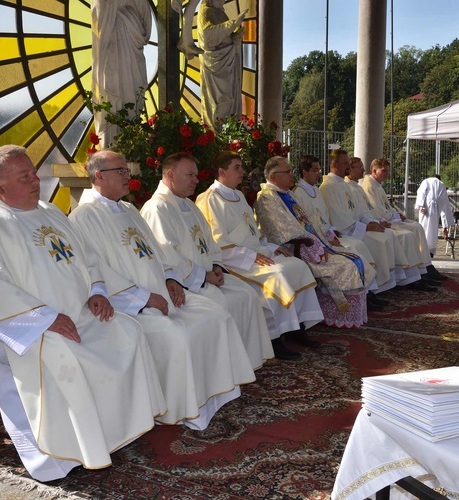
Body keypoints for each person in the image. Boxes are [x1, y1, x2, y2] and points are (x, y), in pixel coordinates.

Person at [0, 145, 166, 482]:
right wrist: (45, 319)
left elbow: (87, 257)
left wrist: (97, 291)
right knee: (64, 356)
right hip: (22, 326)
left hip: (79, 313)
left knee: (127, 331)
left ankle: (108, 435)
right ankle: (54, 459)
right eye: (24, 176)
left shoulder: (50, 212)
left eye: (33, 172)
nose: (35, 181)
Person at [69, 150, 256, 430]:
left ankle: (215, 397)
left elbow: (155, 251)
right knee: (179, 336)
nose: (126, 176)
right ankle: (184, 410)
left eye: (125, 170)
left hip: (161, 293)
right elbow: (98, 271)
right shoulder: (84, 217)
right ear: (98, 176)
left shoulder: (129, 209)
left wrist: (169, 279)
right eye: (120, 171)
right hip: (131, 306)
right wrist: (145, 298)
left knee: (215, 315)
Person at [140, 153, 274, 368]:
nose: (196, 180)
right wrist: (204, 276)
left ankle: (244, 365)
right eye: (190, 175)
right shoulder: (158, 208)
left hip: (208, 276)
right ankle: (226, 368)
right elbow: (168, 255)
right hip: (188, 284)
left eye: (196, 174)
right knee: (224, 306)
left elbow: (210, 242)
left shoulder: (189, 205)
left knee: (247, 294)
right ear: (171, 174)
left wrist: (217, 266)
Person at [195, 151, 324, 359]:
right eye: (237, 167)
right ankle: (275, 338)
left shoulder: (237, 195)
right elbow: (216, 243)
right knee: (277, 275)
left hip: (257, 252)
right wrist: (250, 256)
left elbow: (253, 231)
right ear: (222, 171)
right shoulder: (209, 199)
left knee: (297, 265)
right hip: (235, 260)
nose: (242, 172)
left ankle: (296, 327)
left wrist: (272, 247)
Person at [253, 156, 375, 328]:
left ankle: (348, 312)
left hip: (313, 243)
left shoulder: (287, 194)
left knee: (355, 257)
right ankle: (338, 313)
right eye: (288, 172)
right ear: (273, 177)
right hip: (297, 248)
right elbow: (282, 230)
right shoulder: (266, 198)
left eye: (292, 171)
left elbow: (310, 219)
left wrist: (325, 234)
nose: (292, 175)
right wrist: (316, 246)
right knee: (346, 265)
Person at [320, 151, 430, 293]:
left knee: (388, 235)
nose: (348, 166)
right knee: (382, 240)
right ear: (334, 165)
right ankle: (377, 288)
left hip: (358, 227)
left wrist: (371, 223)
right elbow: (340, 220)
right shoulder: (328, 187)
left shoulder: (345, 185)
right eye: (345, 163)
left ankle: (397, 281)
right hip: (348, 233)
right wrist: (366, 227)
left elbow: (359, 212)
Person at [293, 154, 384, 311]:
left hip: (328, 236)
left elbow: (325, 218)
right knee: (355, 248)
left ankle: (366, 293)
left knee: (358, 248)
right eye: (314, 170)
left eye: (319, 170)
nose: (318, 174)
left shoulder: (315, 190)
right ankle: (359, 296)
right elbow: (305, 224)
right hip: (316, 242)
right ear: (304, 172)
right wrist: (327, 238)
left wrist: (331, 232)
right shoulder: (298, 194)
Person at [359, 158, 445, 282]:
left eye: (388, 171)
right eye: (384, 171)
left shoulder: (377, 185)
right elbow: (377, 210)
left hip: (389, 219)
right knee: (410, 233)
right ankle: (417, 272)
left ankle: (425, 266)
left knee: (417, 226)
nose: (387, 174)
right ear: (374, 170)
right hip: (383, 221)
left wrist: (398, 214)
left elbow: (387, 205)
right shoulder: (368, 186)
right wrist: (394, 217)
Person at [90, 0, 152, 147]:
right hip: (110, 55)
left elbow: (145, 29)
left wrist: (127, 17)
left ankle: (131, 141)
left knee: (131, 92)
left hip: (132, 56)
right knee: (110, 101)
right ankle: (111, 145)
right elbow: (99, 15)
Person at [197, 0, 246, 128]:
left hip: (227, 62)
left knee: (229, 97)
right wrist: (233, 23)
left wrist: (235, 38)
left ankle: (228, 133)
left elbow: (226, 38)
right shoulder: (205, 11)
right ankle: (216, 133)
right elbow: (207, 36)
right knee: (219, 100)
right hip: (214, 65)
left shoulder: (220, 13)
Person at [414, 174, 455, 257]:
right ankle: (429, 252)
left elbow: (421, 193)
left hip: (425, 208)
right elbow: (445, 206)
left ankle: (423, 251)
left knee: (424, 229)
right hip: (435, 211)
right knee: (432, 232)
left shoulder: (426, 181)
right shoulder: (441, 184)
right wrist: (445, 227)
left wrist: (421, 205)